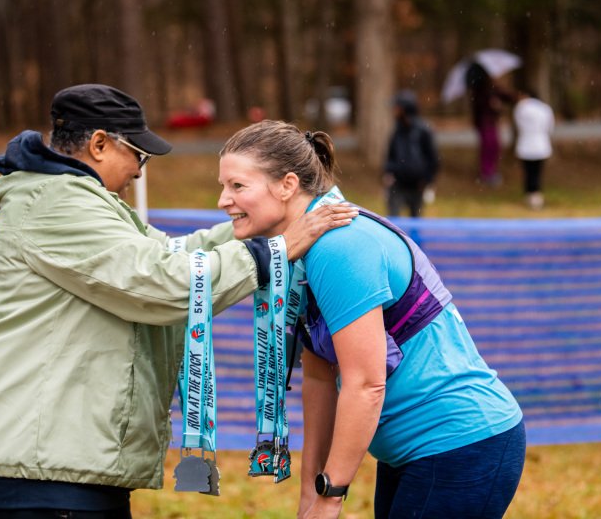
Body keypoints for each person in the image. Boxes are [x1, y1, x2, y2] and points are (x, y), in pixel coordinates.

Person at [0, 84, 357, 518]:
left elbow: (172, 255)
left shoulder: (74, 199)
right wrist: (275, 249)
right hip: (37, 465)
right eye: (138, 155)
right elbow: (163, 283)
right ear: (99, 144)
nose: (140, 171)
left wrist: (261, 225)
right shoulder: (56, 203)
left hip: (54, 458)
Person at [218, 120, 525, 519]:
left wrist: (332, 495)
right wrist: (311, 494)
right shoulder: (299, 250)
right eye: (224, 186)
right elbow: (319, 379)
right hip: (411, 453)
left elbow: (365, 384)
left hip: (459, 443)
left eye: (238, 186)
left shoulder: (339, 246)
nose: (224, 200)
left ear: (287, 185)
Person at [383, 90, 440, 217]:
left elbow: (433, 159)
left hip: (417, 186)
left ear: (405, 108)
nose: (394, 110)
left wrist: (427, 180)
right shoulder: (397, 131)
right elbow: (390, 156)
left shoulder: (423, 131)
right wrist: (389, 173)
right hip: (398, 185)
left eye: (397, 107)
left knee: (416, 223)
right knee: (393, 222)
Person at [465, 62, 515, 187]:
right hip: (484, 122)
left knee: (495, 146)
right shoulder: (479, 91)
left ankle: (491, 171)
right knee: (489, 146)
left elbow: (506, 96)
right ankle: (486, 173)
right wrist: (492, 105)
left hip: (491, 122)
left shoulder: (492, 89)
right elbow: (481, 107)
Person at [513, 90, 554, 210]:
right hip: (541, 144)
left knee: (528, 171)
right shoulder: (545, 108)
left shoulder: (521, 107)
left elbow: (518, 124)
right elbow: (550, 127)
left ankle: (530, 194)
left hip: (526, 144)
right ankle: (536, 195)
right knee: (537, 172)